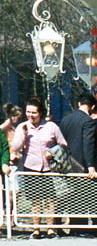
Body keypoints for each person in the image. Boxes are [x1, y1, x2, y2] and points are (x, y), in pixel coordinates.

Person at [12, 97, 68, 238]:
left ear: (40, 113)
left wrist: (52, 151)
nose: (30, 115)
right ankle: (36, 229)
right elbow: (15, 147)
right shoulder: (22, 127)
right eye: (28, 112)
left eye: (34, 112)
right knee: (35, 199)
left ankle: (50, 229)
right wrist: (23, 136)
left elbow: (63, 144)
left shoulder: (51, 127)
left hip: (50, 168)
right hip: (31, 166)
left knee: (50, 200)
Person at [58, 92, 97, 179]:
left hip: (65, 164)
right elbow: (88, 143)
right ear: (93, 107)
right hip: (82, 166)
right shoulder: (88, 121)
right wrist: (90, 166)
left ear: (79, 104)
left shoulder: (65, 119)